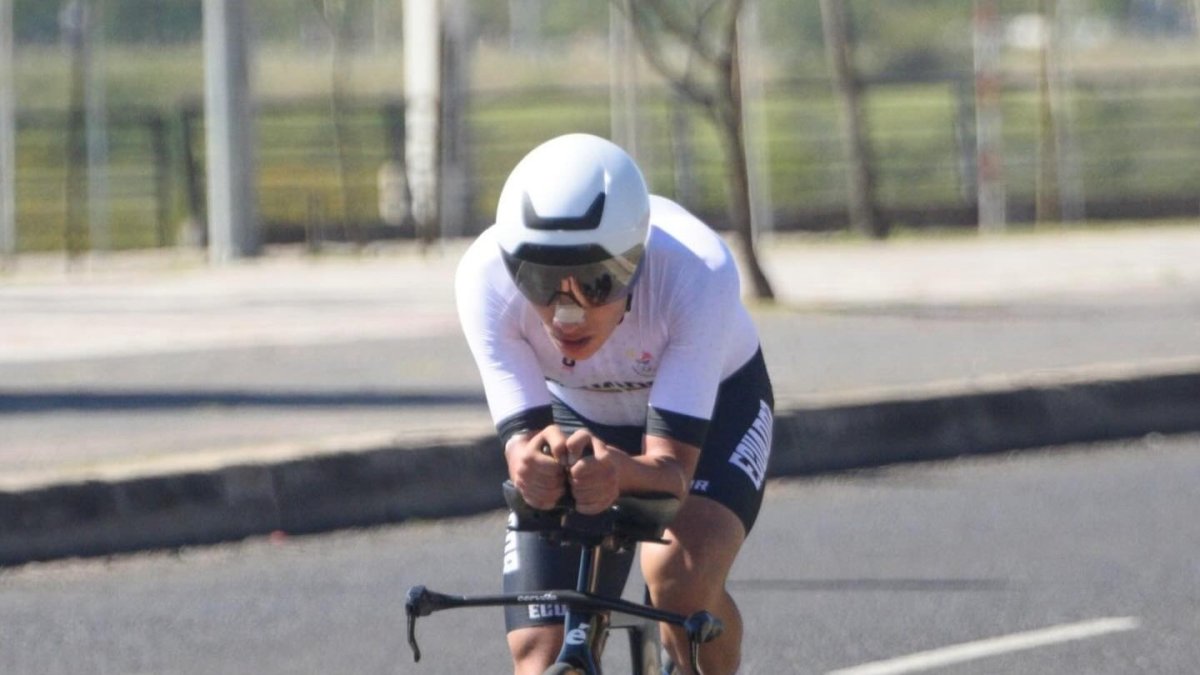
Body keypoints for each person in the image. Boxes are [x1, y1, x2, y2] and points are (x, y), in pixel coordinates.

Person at [455, 133, 773, 675]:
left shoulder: (698, 271)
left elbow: (671, 470)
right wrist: (531, 465)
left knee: (678, 581)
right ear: (512, 268)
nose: (566, 314)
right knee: (541, 654)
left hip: (715, 409)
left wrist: (620, 471)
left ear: (637, 261)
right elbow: (523, 447)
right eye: (540, 280)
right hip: (578, 416)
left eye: (597, 282)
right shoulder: (484, 278)